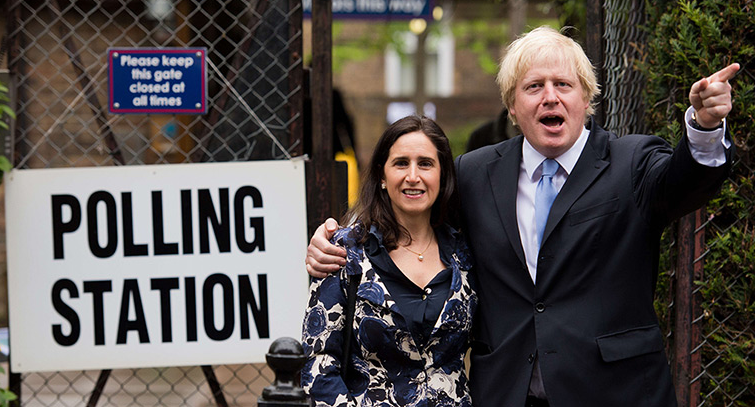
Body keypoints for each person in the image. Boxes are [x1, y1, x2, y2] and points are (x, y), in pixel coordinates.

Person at [305, 26, 738, 407]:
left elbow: (687, 182)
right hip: (507, 392)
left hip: (614, 389)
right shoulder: (475, 172)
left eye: (564, 84)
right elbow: (414, 217)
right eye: (534, 87)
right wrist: (338, 239)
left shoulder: (632, 163)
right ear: (512, 107)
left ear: (586, 98)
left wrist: (702, 127)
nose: (550, 96)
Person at [301, 115, 477, 406]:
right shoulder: (347, 250)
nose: (413, 176)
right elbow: (318, 359)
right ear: (382, 176)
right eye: (400, 163)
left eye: (425, 163)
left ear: (442, 175)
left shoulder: (465, 251)